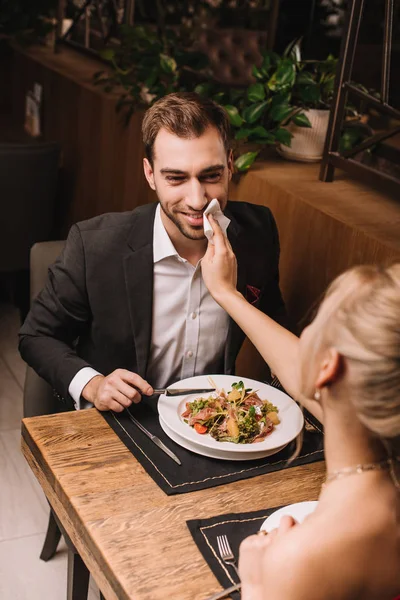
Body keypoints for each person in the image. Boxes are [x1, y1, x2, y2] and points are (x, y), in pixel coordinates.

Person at [19, 92, 286, 412]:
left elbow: (273, 322)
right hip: (123, 421)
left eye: (211, 175)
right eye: (176, 178)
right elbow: (36, 336)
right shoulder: (94, 245)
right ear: (150, 174)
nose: (197, 199)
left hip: (213, 423)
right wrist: (94, 385)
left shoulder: (258, 232)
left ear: (230, 165)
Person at [201, 216, 400, 600]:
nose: (301, 336)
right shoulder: (376, 429)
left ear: (328, 369)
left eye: (316, 325)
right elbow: (296, 367)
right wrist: (227, 294)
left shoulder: (300, 560)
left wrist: (258, 582)